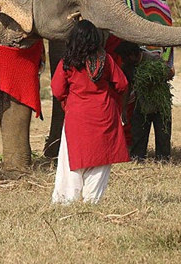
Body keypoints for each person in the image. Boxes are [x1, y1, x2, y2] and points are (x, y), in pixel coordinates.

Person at [51, 20, 130, 204]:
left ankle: (67, 200)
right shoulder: (106, 60)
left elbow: (57, 90)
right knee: (101, 158)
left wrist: (67, 103)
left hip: (77, 118)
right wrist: (119, 106)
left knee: (72, 161)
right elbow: (123, 85)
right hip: (105, 116)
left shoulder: (68, 63)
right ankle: (92, 200)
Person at [115, 41, 174, 163]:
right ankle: (137, 158)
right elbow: (127, 87)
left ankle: (163, 160)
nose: (123, 60)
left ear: (133, 54)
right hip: (141, 104)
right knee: (138, 134)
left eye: (125, 57)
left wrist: (156, 74)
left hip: (160, 105)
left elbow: (170, 73)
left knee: (163, 134)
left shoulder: (153, 59)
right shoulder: (127, 67)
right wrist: (124, 109)